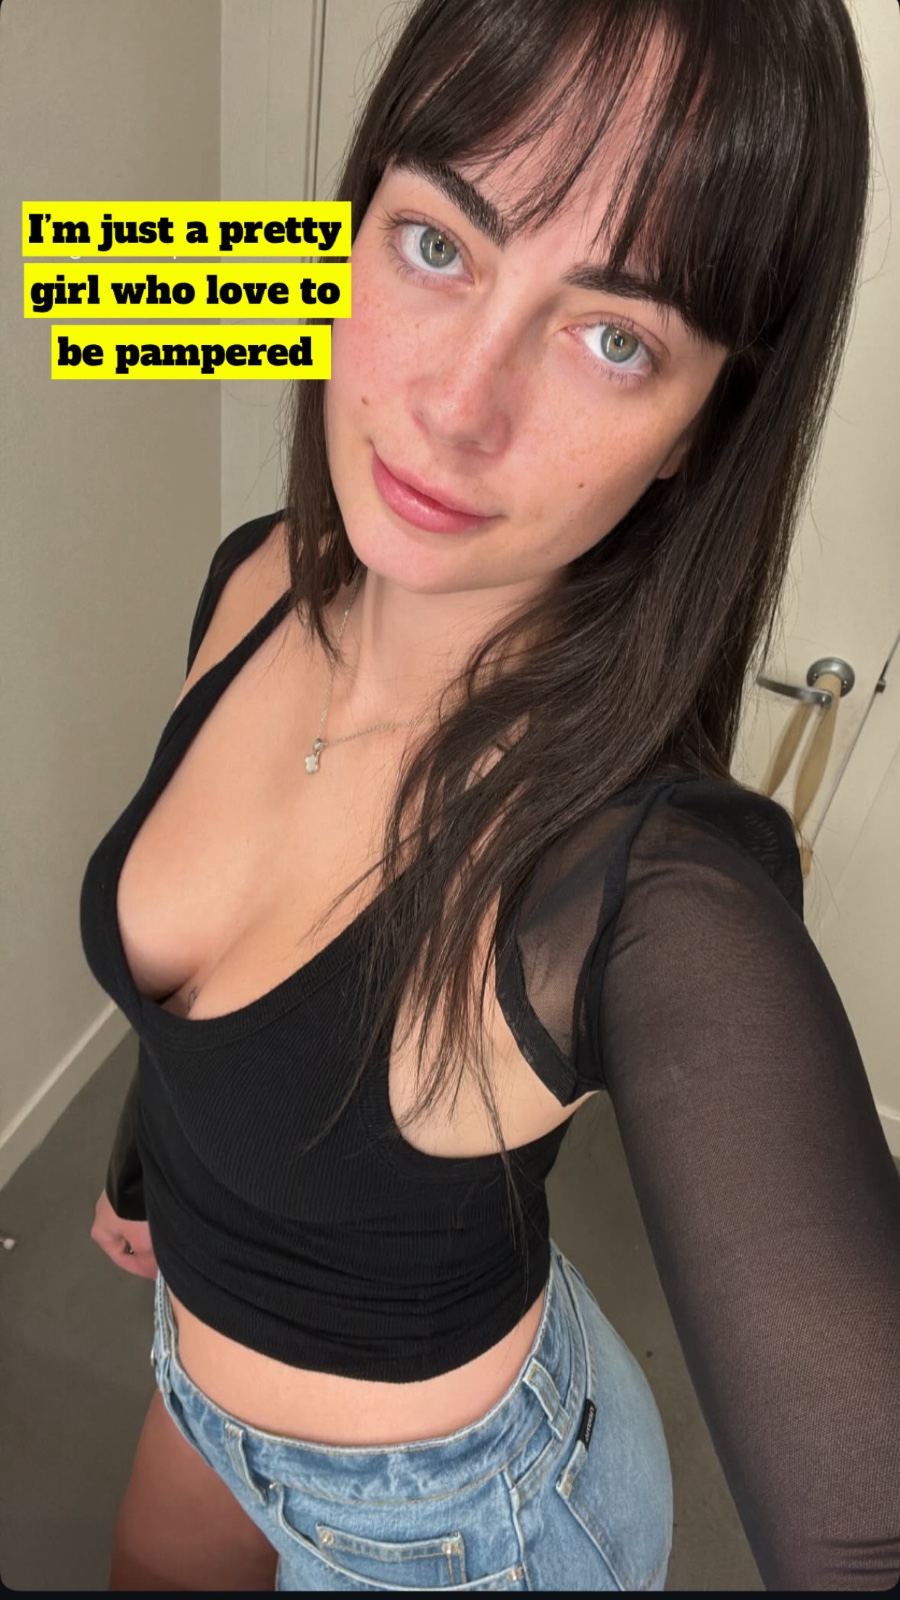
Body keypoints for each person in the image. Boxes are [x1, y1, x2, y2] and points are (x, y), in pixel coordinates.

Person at [83, 0, 900, 1590]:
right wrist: (143, 1172)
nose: (458, 406)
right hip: (192, 1376)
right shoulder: (254, 577)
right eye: (437, 244)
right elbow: (207, 1011)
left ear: (698, 432)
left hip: (456, 1523)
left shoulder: (649, 884)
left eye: (616, 338)